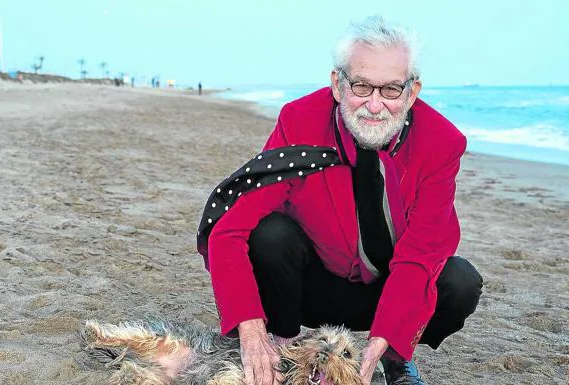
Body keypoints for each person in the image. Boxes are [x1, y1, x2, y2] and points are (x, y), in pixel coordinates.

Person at [197, 15, 482, 385]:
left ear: (413, 92)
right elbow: (230, 229)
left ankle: (396, 358)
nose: (375, 105)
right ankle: (284, 341)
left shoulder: (442, 142)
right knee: (270, 234)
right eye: (361, 86)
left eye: (392, 90)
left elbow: (420, 254)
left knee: (459, 281)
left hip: (386, 289)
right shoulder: (298, 120)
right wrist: (250, 331)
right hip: (309, 286)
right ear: (337, 83)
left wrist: (386, 336)